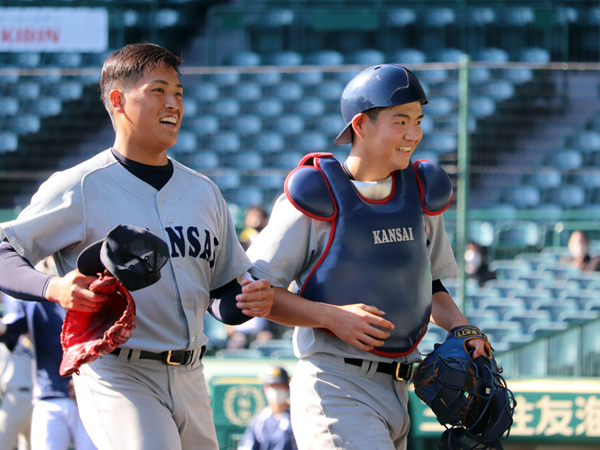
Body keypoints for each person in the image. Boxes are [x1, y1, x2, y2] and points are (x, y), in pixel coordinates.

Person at [0, 43, 274, 450]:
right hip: (119, 371)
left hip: (191, 374)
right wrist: (53, 288)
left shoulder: (204, 192)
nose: (174, 103)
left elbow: (220, 289)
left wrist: (246, 301)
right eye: (158, 90)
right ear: (117, 100)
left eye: (179, 93)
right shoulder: (80, 185)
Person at [246, 64, 487, 450]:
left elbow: (432, 285)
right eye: (400, 121)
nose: (414, 133)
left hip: (399, 388)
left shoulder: (423, 193)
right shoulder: (314, 194)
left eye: (419, 121)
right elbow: (255, 294)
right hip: (334, 384)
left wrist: (462, 327)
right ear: (360, 124)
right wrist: (330, 317)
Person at [0, 291, 95, 450]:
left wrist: (86, 380)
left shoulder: (85, 290)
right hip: (48, 396)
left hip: (87, 396)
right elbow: (11, 328)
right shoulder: (32, 299)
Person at [0, 294, 34, 450]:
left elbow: (7, 329)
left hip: (17, 399)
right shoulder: (30, 327)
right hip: (34, 400)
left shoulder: (15, 328)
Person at [238, 366, 297, 450]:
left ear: (287, 388)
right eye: (272, 386)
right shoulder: (260, 420)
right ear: (265, 389)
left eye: (280, 386)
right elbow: (247, 446)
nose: (276, 390)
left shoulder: (296, 417)